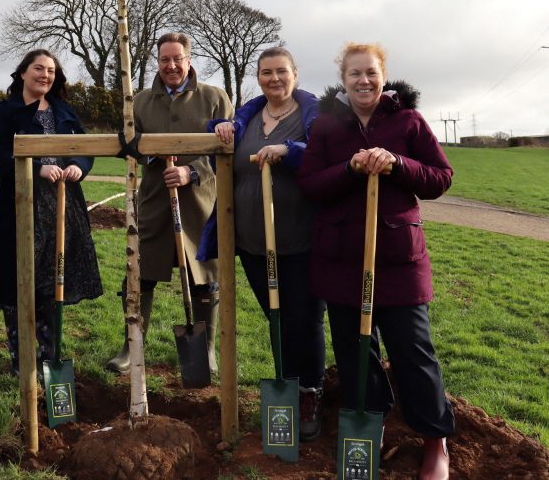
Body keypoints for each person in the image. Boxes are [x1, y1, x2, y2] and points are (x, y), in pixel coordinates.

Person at [298, 43, 454, 480]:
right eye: (354, 74)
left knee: (413, 351)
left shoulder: (408, 121)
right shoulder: (328, 127)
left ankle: (435, 441)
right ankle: (371, 426)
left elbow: (440, 178)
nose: (363, 81)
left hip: (399, 261)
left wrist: (398, 164)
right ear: (342, 79)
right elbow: (310, 184)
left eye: (371, 73)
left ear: (383, 75)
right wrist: (350, 167)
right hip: (342, 261)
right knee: (355, 352)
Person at [199, 46, 326, 440]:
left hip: (302, 240)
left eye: (281, 71)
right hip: (255, 244)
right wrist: (220, 129)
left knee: (303, 321)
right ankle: (285, 388)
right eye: (267, 72)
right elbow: (221, 139)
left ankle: (309, 394)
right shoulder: (249, 116)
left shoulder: (314, 115)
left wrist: (289, 151)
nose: (274, 79)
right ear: (258, 77)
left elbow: (325, 155)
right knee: (277, 319)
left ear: (295, 74)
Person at [105, 32, 233, 376]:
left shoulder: (214, 98)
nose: (172, 66)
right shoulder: (141, 101)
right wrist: (155, 158)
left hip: (201, 206)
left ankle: (205, 350)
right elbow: (127, 143)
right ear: (157, 62)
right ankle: (131, 346)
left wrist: (192, 171)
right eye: (165, 60)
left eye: (178, 59)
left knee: (204, 277)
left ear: (189, 60)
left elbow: (227, 148)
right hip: (155, 202)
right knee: (140, 272)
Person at [0, 49, 103, 375]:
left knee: (52, 286)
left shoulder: (65, 110)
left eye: (50, 70)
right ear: (23, 73)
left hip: (61, 206)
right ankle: (23, 362)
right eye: (38, 68)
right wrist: (37, 169)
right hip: (18, 206)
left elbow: (85, 149)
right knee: (17, 284)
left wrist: (78, 166)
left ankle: (50, 359)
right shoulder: (6, 112)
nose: (44, 75)